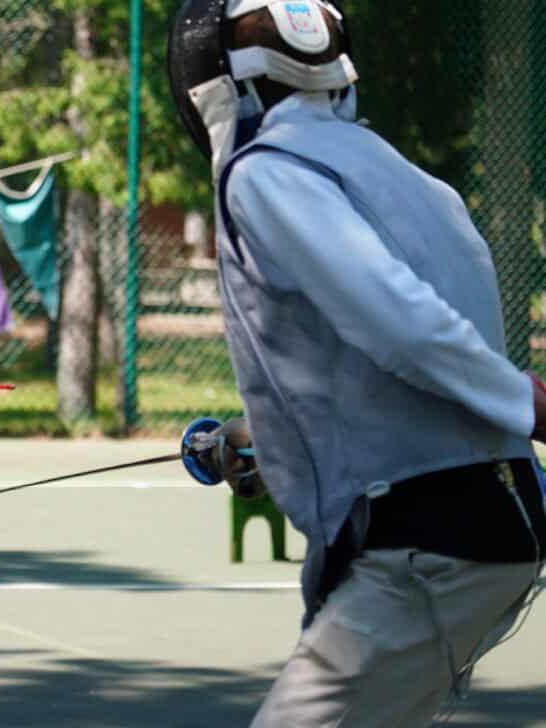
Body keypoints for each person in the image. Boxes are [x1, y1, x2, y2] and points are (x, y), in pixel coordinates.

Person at [168, 1, 546, 725]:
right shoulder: (406, 177)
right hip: (490, 522)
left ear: (215, 79)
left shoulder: (265, 175)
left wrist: (529, 402)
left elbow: (404, 325)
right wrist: (253, 442)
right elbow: (374, 369)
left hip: (427, 544)